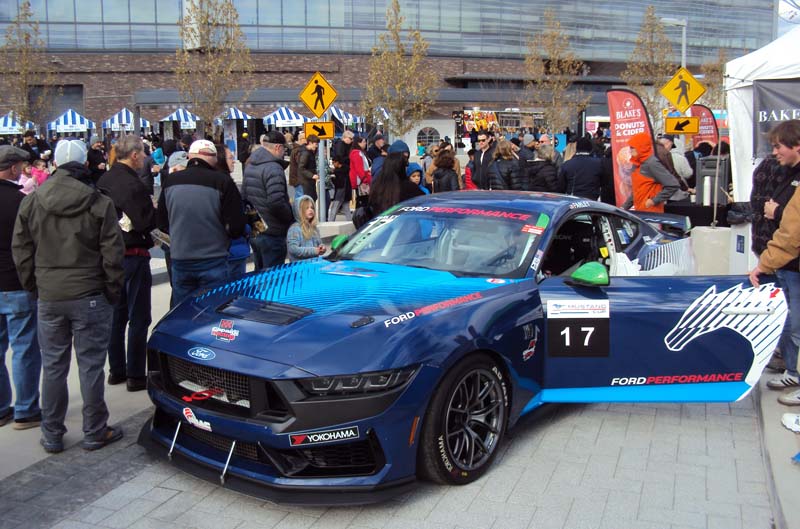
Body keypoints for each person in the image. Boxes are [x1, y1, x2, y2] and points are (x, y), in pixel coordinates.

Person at [12, 139, 125, 453]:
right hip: (88, 292)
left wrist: (35, 286)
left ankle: (52, 432)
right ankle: (94, 429)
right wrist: (112, 290)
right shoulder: (97, 201)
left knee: (54, 366)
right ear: (83, 164)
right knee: (90, 366)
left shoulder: (32, 201)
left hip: (50, 293)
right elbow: (113, 253)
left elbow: (21, 250)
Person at [97, 135, 156, 392]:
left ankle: (116, 369)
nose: (144, 158)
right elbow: (145, 222)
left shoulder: (104, 180)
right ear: (133, 155)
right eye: (142, 154)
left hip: (110, 255)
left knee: (116, 314)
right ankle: (135, 373)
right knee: (138, 316)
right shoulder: (134, 185)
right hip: (133, 252)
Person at [748, 120, 800, 407]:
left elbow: (792, 232)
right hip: (788, 263)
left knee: (797, 325)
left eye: (778, 146)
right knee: (792, 322)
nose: (775, 152)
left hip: (793, 262)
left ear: (797, 146)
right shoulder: (787, 173)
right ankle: (793, 371)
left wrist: (764, 264)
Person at [157, 140, 246, 306]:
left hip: (181, 257)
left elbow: (161, 222)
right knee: (212, 311)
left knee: (182, 311)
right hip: (213, 258)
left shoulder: (171, 181)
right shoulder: (222, 182)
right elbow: (236, 226)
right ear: (213, 158)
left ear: (190, 156)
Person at [0, 146, 41, 431]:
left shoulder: (21, 200)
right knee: (24, 348)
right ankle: (26, 410)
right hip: (15, 282)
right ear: (13, 169)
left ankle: (2, 408)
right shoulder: (20, 201)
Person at [242, 131, 293, 270]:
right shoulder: (273, 167)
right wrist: (290, 217)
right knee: (273, 278)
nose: (284, 152)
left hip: (257, 228)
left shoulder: (251, 164)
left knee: (259, 273)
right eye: (284, 148)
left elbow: (245, 197)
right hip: (273, 230)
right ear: (277, 147)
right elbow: (276, 201)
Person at [214, 144, 250, 279]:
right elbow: (234, 220)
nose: (233, 160)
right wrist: (245, 229)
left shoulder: (221, 181)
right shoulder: (224, 184)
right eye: (230, 157)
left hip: (231, 247)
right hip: (232, 248)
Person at [622, 132, 679, 213]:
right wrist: (624, 207)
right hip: (640, 212)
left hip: (652, 214)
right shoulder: (637, 163)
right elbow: (637, 190)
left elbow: (673, 185)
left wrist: (653, 201)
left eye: (632, 147)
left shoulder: (651, 163)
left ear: (641, 147)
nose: (630, 150)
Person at [286, 195, 326, 262]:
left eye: (312, 208)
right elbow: (293, 249)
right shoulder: (294, 229)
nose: (310, 210)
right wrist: (314, 251)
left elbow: (319, 243)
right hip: (300, 267)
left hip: (313, 264)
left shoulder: (314, 228)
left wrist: (322, 247)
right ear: (299, 211)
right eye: (306, 208)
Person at [327, 156, 352, 221]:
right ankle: (350, 222)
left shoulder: (338, 172)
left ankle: (330, 222)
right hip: (347, 192)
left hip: (340, 192)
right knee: (346, 209)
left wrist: (332, 178)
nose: (333, 164)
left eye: (333, 163)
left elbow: (338, 183)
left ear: (337, 162)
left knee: (334, 208)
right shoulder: (346, 170)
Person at [298, 134, 321, 202]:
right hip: (306, 181)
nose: (316, 146)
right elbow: (301, 168)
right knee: (309, 200)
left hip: (308, 181)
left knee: (311, 199)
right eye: (315, 144)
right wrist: (312, 175)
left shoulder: (309, 152)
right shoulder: (306, 153)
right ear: (310, 143)